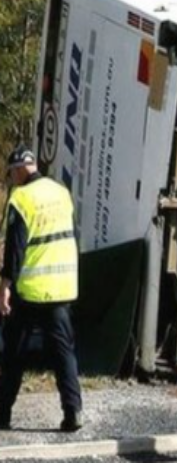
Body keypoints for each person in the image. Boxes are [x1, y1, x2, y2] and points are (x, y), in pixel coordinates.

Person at [0, 145, 83, 432]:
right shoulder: (61, 192)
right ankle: (73, 412)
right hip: (62, 287)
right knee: (64, 352)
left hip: (32, 289)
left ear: (20, 168)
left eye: (11, 173)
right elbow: (73, 234)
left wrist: (6, 285)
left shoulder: (21, 198)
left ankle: (2, 415)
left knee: (14, 353)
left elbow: (15, 248)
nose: (11, 179)